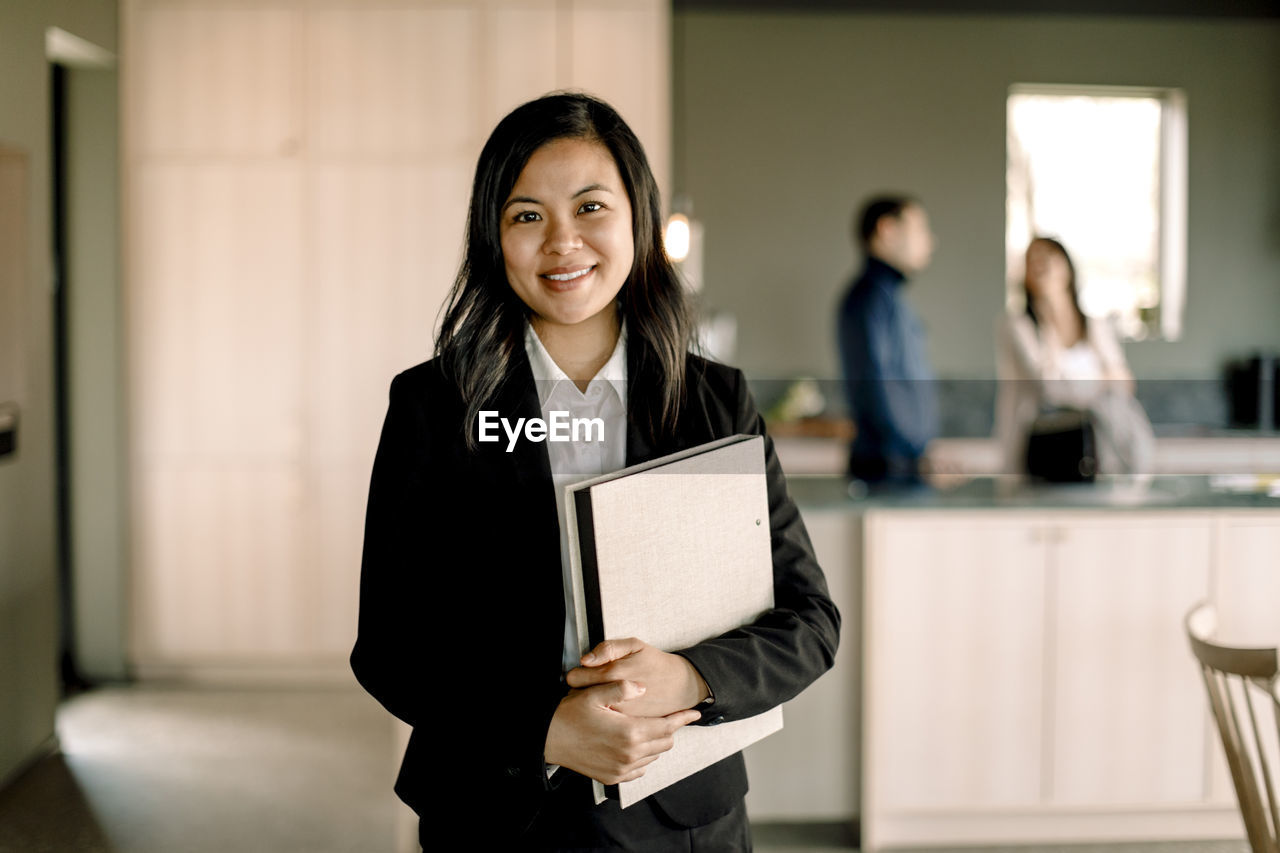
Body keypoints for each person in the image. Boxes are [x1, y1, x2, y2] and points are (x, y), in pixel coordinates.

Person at [350, 93, 840, 851]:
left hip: (684, 816)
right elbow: (391, 645)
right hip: (494, 810)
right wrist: (543, 729)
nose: (562, 242)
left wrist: (690, 678)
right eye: (527, 215)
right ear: (494, 235)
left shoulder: (711, 400)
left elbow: (809, 620)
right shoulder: (432, 405)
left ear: (637, 219)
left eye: (589, 207)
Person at [995, 236, 1154, 476]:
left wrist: (1078, 383)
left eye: (1047, 256)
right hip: (1039, 450)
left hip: (1096, 451)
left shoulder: (1094, 325)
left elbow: (1123, 382)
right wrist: (1101, 380)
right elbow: (1049, 388)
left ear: (1066, 266)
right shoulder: (1018, 326)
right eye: (1032, 260)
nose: (1040, 264)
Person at [836, 195, 940, 484]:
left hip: (899, 464)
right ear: (888, 230)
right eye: (920, 229)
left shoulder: (886, 297)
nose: (930, 241)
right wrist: (915, 457)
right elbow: (877, 384)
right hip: (889, 468)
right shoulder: (871, 299)